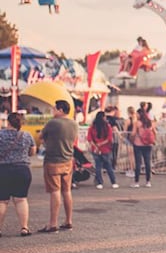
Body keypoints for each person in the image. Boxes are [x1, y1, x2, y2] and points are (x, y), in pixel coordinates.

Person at [38, 100, 78, 233]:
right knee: (66, 191)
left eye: (54, 109)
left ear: (60, 110)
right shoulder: (73, 123)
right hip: (67, 160)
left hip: (53, 160)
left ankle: (53, 224)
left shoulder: (53, 123)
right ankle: (68, 221)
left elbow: (41, 136)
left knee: (55, 191)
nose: (53, 111)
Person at [0, 112, 35, 236]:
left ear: (8, 122)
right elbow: (32, 152)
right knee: (21, 200)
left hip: (3, 170)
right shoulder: (27, 135)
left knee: (2, 201)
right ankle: (24, 228)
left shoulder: (0, 135)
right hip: (22, 170)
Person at [87, 110, 119, 189]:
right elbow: (109, 138)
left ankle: (99, 182)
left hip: (95, 149)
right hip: (106, 149)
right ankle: (113, 182)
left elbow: (89, 138)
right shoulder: (107, 126)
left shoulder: (92, 127)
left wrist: (95, 146)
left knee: (98, 166)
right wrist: (101, 144)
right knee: (108, 166)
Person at [131, 107, 156, 187]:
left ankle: (136, 182)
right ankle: (148, 181)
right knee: (147, 163)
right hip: (148, 145)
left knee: (138, 163)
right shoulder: (150, 122)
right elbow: (154, 132)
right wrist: (153, 140)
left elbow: (133, 133)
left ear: (139, 114)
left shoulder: (137, 123)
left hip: (138, 144)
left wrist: (130, 138)